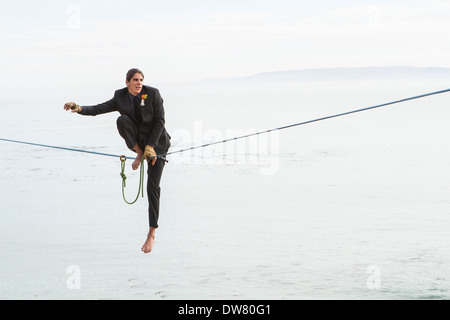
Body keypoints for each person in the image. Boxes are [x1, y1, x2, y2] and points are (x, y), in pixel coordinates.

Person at [64, 68, 171, 253]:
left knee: (152, 187)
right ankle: (139, 153)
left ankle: (151, 232)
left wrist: (151, 146)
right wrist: (78, 108)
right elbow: (98, 109)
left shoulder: (152, 93)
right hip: (139, 142)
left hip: (158, 143)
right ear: (127, 82)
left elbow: (160, 121)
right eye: (135, 80)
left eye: (141, 80)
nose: (139, 83)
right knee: (121, 120)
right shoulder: (120, 97)